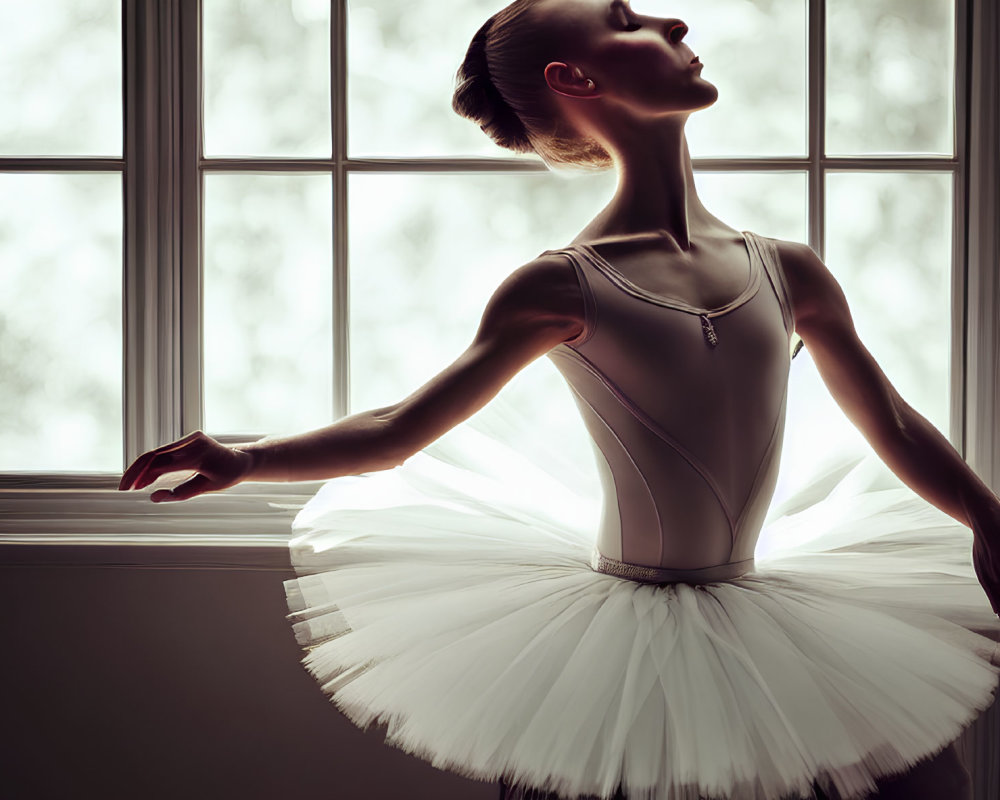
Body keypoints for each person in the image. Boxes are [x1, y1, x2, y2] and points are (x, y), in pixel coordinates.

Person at [120, 0, 1000, 797]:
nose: (677, 26)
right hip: (622, 643)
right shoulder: (563, 287)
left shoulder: (787, 269)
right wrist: (246, 460)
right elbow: (396, 431)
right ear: (575, 80)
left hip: (780, 605)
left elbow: (887, 419)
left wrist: (988, 517)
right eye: (628, 20)